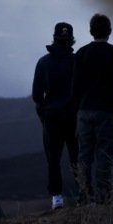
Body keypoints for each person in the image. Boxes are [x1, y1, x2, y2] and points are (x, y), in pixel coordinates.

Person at [70, 13, 113, 204]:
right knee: (104, 153)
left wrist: (78, 109)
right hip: (107, 110)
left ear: (91, 31)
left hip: (85, 110)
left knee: (84, 153)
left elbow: (75, 86)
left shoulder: (81, 53)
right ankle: (103, 195)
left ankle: (84, 194)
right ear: (109, 31)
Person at [31, 21, 79, 210]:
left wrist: (43, 113)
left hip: (51, 117)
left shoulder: (43, 62)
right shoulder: (77, 62)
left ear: (55, 37)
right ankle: (83, 193)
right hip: (74, 117)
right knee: (77, 157)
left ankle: (57, 198)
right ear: (71, 39)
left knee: (53, 158)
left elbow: (36, 94)